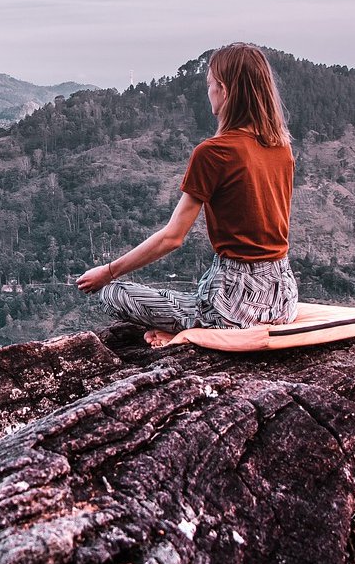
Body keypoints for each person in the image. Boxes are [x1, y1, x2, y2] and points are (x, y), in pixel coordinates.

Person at [75, 42, 297, 347]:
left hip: (234, 306)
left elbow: (172, 237)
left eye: (209, 85)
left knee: (113, 294)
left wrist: (108, 272)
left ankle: (195, 332)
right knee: (189, 297)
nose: (208, 93)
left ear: (224, 89)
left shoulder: (214, 153)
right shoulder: (281, 148)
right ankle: (196, 325)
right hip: (283, 299)